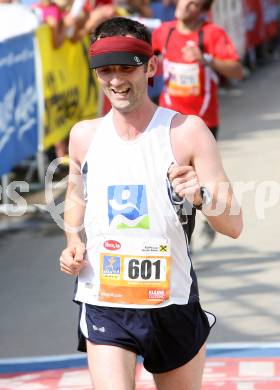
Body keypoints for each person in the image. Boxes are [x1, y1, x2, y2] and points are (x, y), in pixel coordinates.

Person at [59, 16, 243, 390]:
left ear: (152, 67)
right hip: (105, 298)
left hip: (171, 301)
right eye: (105, 70)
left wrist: (200, 197)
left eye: (126, 67)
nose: (115, 80)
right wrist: (73, 242)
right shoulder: (83, 136)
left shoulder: (185, 132)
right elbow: (76, 196)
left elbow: (234, 224)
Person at [152, 0, 244, 248]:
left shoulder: (212, 33)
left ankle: (210, 218)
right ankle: (183, 239)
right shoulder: (164, 32)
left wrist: (205, 58)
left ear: (202, 10)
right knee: (174, 180)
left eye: (195, 4)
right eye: (185, 0)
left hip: (203, 123)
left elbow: (237, 70)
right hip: (169, 123)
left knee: (200, 181)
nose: (187, 6)